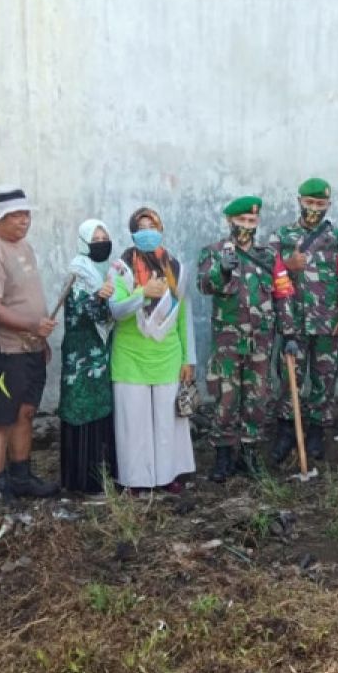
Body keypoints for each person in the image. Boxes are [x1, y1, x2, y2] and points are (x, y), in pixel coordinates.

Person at [198, 196, 299, 482]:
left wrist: (289, 333)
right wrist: (223, 269)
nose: (246, 225)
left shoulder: (268, 256)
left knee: (257, 398)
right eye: (241, 220)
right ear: (230, 221)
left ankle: (250, 453)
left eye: (251, 221)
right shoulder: (213, 252)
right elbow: (204, 285)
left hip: (261, 341)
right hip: (228, 342)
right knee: (226, 398)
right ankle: (223, 455)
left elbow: (282, 293)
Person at [0, 185, 59, 499]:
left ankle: (21, 477)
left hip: (30, 348)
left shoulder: (24, 247)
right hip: (3, 351)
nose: (24, 221)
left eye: (26, 214)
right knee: (1, 420)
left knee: (25, 413)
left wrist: (40, 337)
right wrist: (32, 325)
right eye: (15, 215)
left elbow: (27, 297)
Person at [269, 178, 338, 464]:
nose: (314, 208)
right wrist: (288, 266)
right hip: (291, 322)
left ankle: (317, 432)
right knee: (289, 380)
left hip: (327, 324)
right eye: (309, 202)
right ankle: (285, 432)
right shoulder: (281, 236)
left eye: (320, 204)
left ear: (329, 205)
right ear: (299, 201)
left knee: (325, 378)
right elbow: (268, 275)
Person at [110, 207, 197, 493]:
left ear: (160, 229)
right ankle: (136, 480)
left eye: (152, 226)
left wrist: (189, 358)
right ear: (132, 231)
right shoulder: (121, 268)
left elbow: (184, 317)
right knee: (133, 422)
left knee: (167, 421)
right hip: (130, 356)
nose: (147, 231)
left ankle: (168, 475)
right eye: (141, 226)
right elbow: (116, 310)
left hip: (168, 355)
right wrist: (142, 293)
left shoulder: (176, 267)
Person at [59, 219, 120, 493]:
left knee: (101, 411)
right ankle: (82, 481)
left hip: (101, 352)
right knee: (80, 412)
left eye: (105, 237)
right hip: (80, 356)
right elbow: (91, 313)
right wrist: (101, 297)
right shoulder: (79, 273)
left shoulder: (107, 270)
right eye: (95, 239)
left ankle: (103, 476)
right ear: (84, 244)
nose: (101, 243)